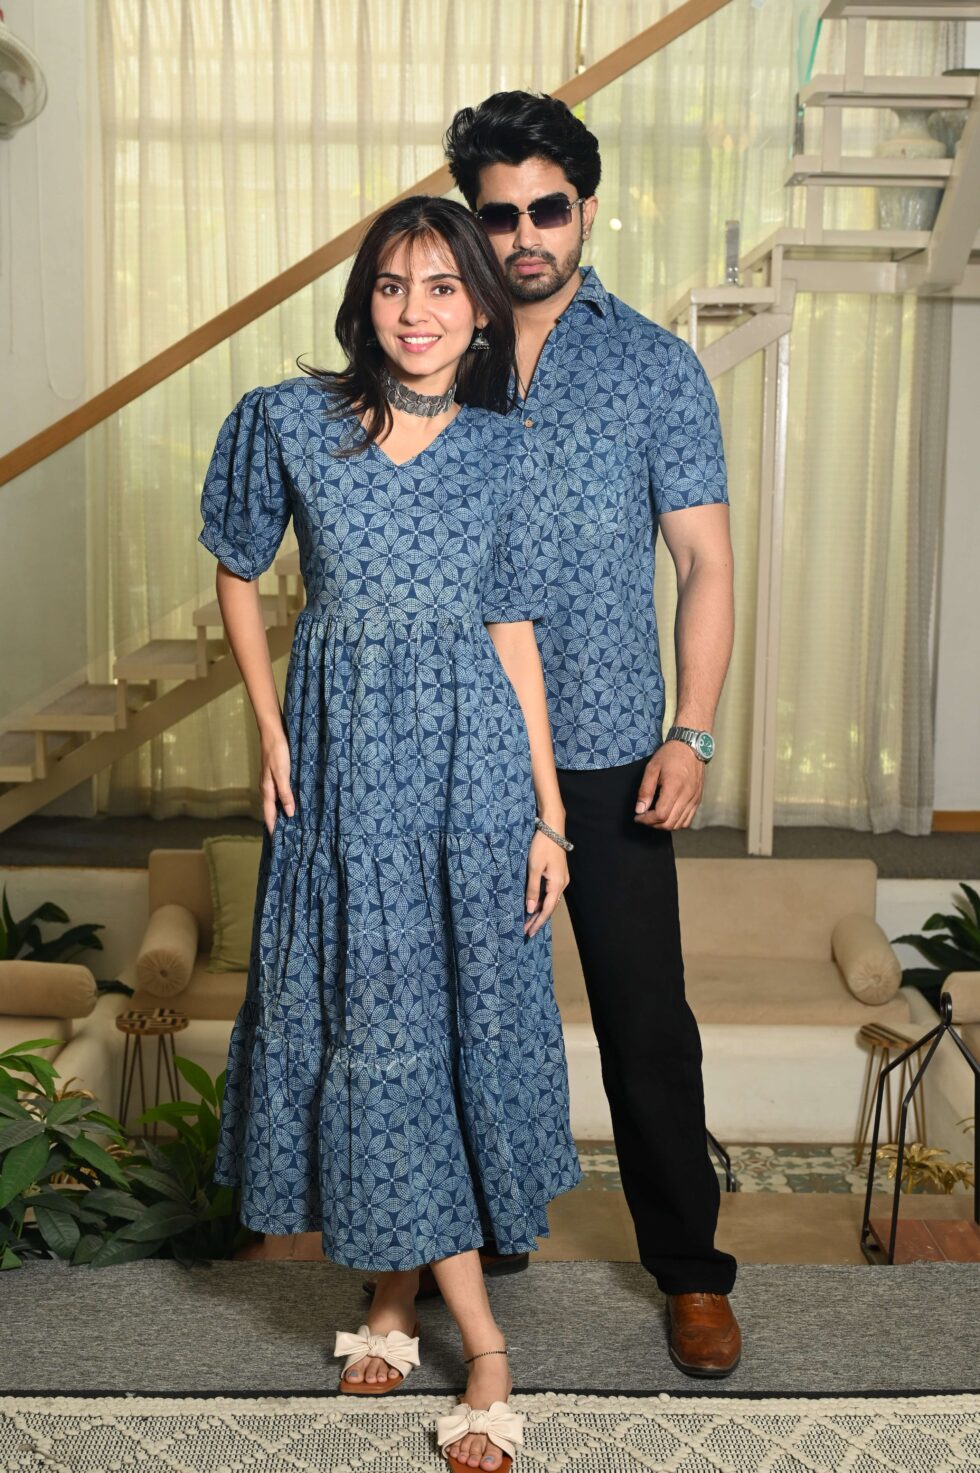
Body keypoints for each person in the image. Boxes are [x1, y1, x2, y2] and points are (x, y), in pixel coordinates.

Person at [198, 194, 582, 1472]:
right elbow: (236, 568)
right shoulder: (285, 422)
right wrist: (268, 728)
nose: (415, 313)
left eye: (442, 288)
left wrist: (547, 814)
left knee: (436, 1029)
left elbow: (512, 633)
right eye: (391, 286)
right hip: (342, 774)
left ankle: (411, 1314)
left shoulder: (505, 451)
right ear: (363, 303)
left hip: (471, 778)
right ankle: (449, 1325)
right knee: (372, 1030)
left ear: (479, 310)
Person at [441, 91, 742, 1379]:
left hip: (613, 744)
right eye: (498, 214)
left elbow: (704, 564)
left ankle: (691, 1273)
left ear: (586, 209)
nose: (523, 236)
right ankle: (474, 1239)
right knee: (466, 1009)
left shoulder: (654, 367)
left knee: (642, 1020)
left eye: (545, 209)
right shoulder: (432, 347)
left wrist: (692, 732)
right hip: (459, 743)